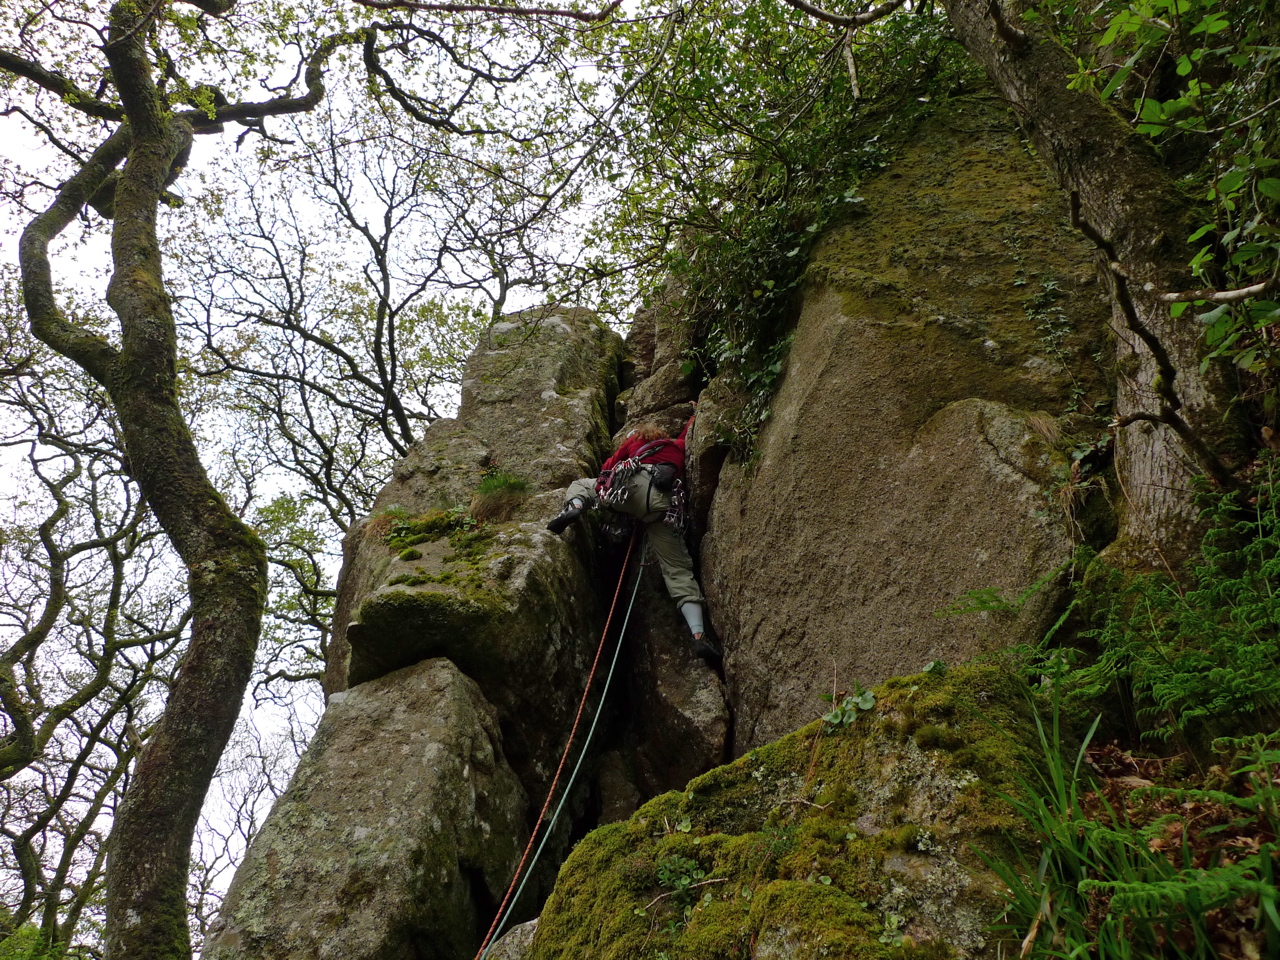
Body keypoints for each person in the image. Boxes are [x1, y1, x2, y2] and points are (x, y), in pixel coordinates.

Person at [548, 411, 710, 648]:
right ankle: (698, 634)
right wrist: (695, 416)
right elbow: (687, 435)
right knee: (677, 569)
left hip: (628, 489)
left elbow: (608, 467)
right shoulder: (675, 446)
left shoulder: (635, 442)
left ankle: (575, 507)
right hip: (661, 506)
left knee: (582, 485)